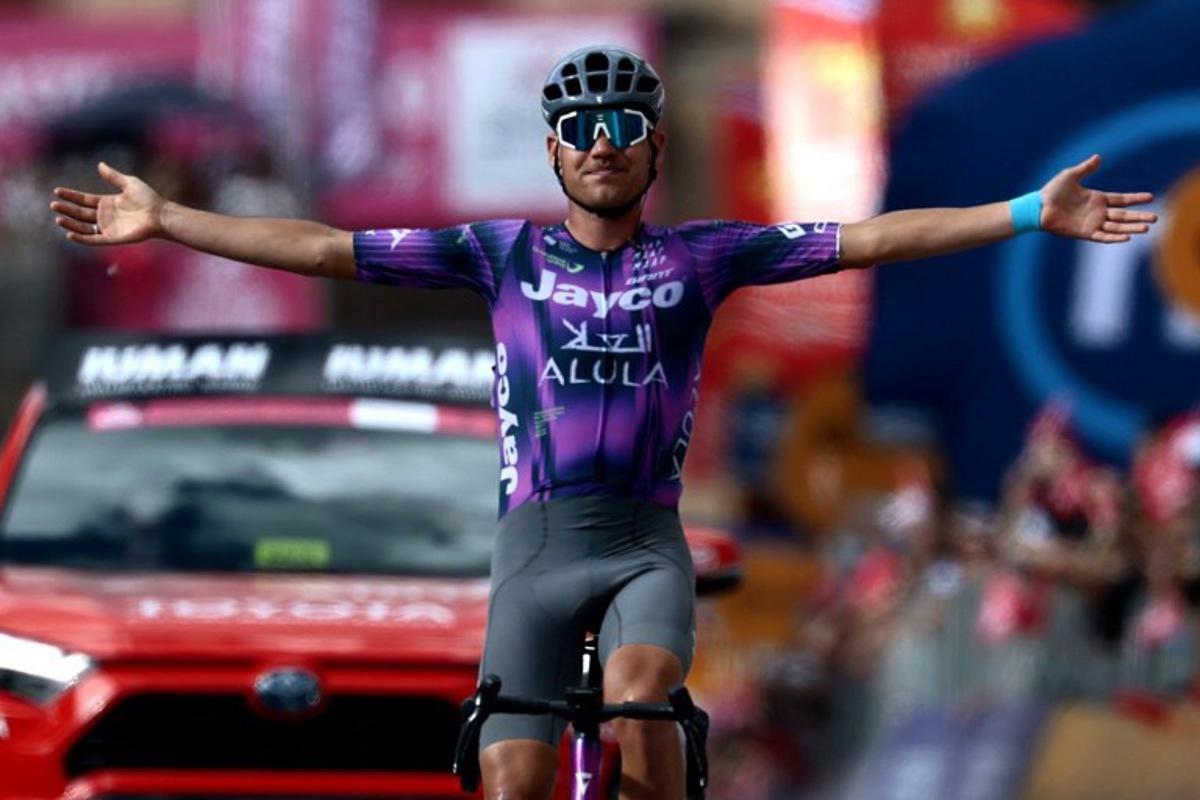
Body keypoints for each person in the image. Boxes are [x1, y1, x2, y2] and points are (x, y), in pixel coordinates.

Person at [49, 45, 1157, 800]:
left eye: (624, 121)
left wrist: (1024, 212)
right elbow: (323, 248)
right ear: (553, 149)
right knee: (517, 777)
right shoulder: (501, 254)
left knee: (640, 702)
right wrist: (166, 219)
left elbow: (872, 240)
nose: (602, 138)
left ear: (652, 147)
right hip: (534, 545)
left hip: (642, 543)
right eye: (579, 124)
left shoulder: (704, 255)